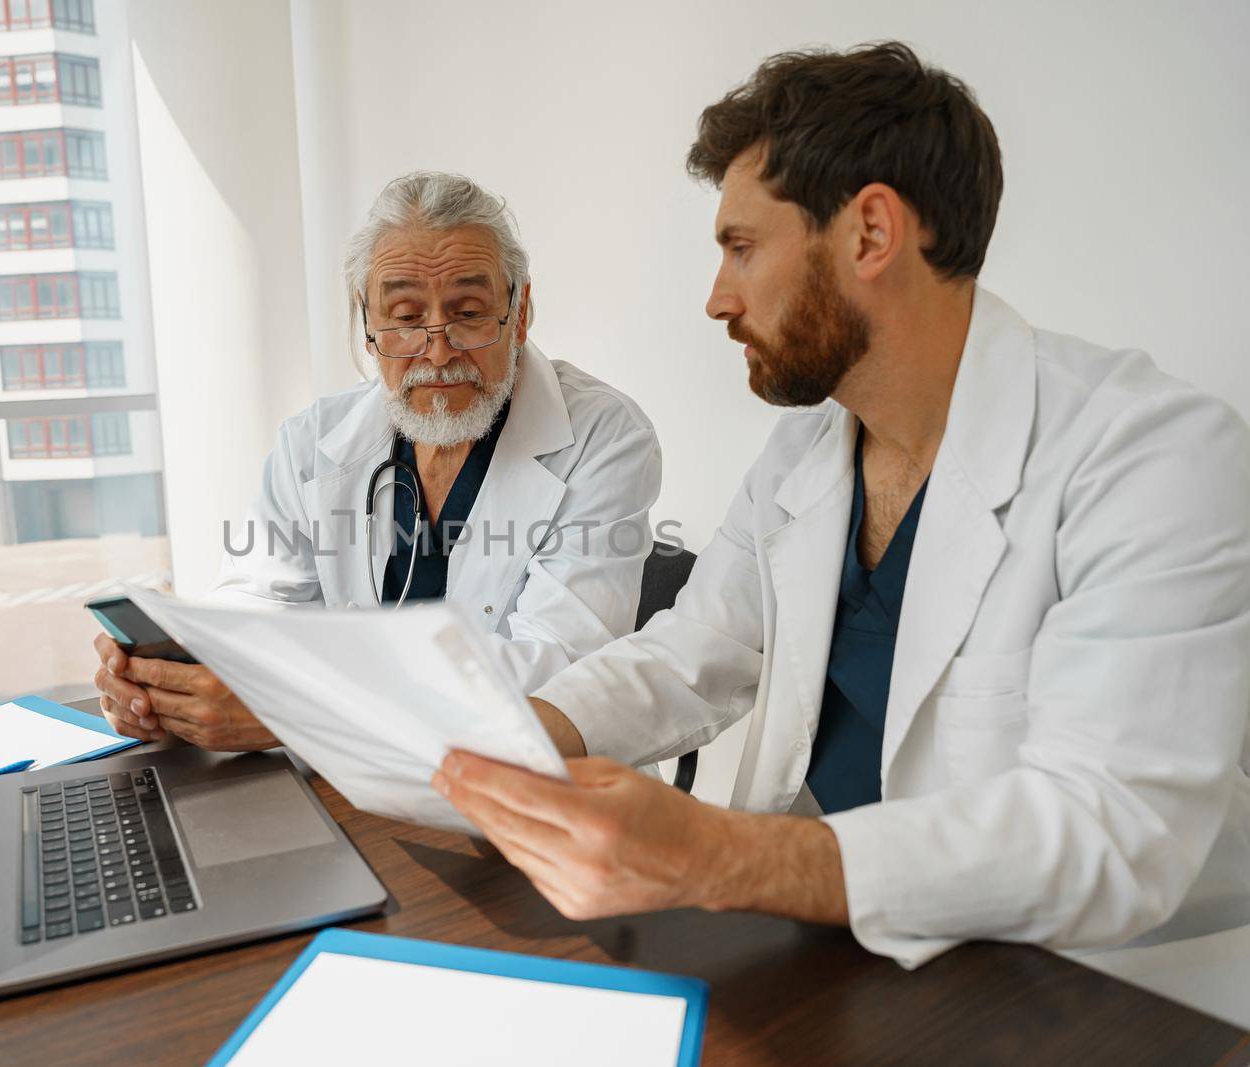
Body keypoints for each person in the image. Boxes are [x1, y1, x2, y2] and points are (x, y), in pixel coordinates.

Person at [434, 42, 1250, 971]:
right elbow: (700, 649)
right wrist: (527, 730)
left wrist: (710, 852)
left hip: (1099, 986)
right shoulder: (811, 448)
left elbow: (1113, 826)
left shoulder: (1150, 453)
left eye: (742, 248)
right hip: (845, 951)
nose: (716, 298)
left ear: (870, 233)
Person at [95, 172, 661, 755]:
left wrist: (295, 709)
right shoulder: (312, 443)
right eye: (407, 318)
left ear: (519, 314)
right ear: (369, 329)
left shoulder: (604, 437)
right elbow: (257, 605)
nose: (438, 351)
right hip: (352, 776)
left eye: (468, 312)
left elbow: (556, 669)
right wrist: (174, 677)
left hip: (533, 791)